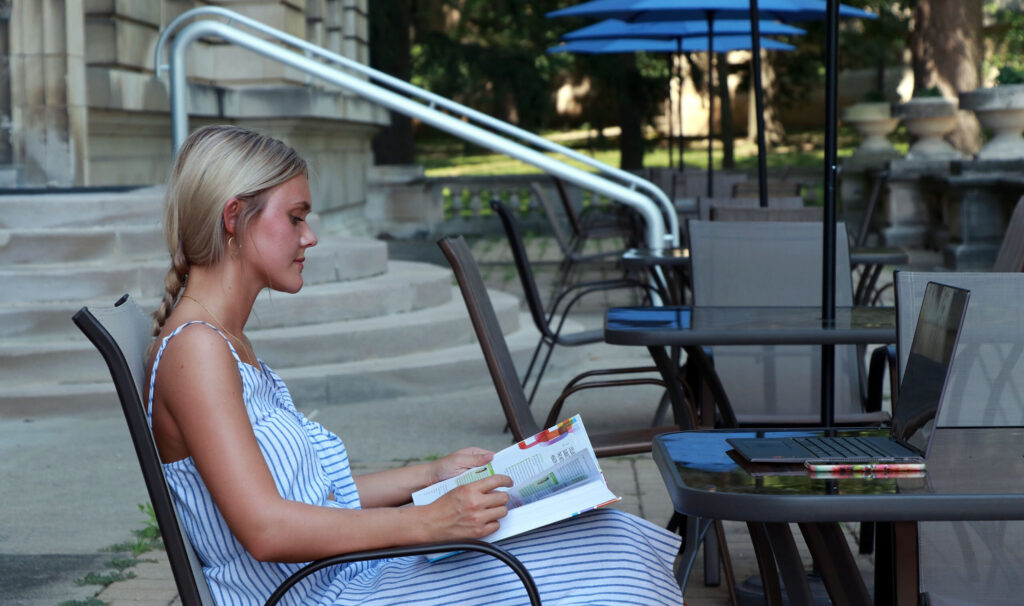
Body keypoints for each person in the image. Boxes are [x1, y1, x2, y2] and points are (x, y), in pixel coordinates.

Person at [146, 124, 684, 605]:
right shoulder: (196, 351)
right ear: (235, 217)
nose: (309, 237)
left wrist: (432, 475)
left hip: (344, 574)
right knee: (605, 564)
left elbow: (311, 496)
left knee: (603, 534)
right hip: (325, 593)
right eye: (296, 218)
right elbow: (266, 529)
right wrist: (430, 520)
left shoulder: (222, 342)